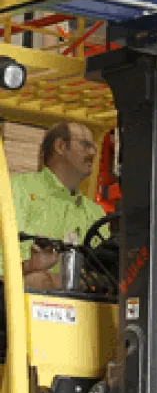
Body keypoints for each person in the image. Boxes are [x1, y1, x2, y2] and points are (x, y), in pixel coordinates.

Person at [7, 121, 106, 291]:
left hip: (82, 306)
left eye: (94, 148)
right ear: (60, 146)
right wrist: (30, 265)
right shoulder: (17, 190)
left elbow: (106, 269)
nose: (92, 153)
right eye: (85, 145)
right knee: (38, 281)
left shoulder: (96, 213)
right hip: (21, 307)